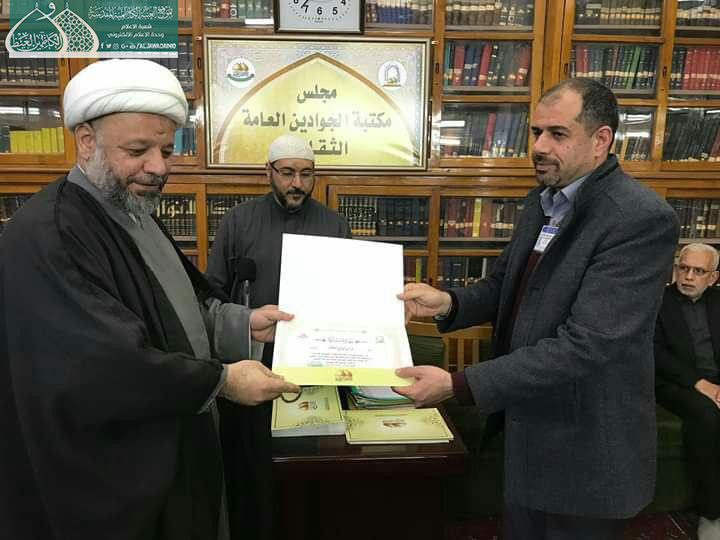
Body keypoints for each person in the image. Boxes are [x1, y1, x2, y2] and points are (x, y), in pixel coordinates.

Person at [0, 59, 299, 540]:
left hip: (181, 441)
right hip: (111, 480)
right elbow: (102, 366)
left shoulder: (129, 210)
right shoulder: (52, 233)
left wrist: (244, 324)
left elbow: (176, 308)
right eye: (138, 150)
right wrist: (222, 381)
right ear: (86, 141)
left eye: (167, 149)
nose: (159, 167)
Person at [394, 78, 679, 539]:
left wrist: (458, 384)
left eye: (558, 134)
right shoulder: (544, 202)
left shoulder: (638, 219)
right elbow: (506, 285)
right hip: (528, 434)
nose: (540, 147)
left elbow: (588, 344)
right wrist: (447, 302)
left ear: (601, 140)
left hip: (586, 454)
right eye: (536, 132)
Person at [206, 133, 350, 540]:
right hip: (252, 366)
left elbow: (348, 295)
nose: (296, 184)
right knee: (252, 474)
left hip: (318, 367)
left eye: (306, 174)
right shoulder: (238, 221)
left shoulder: (334, 225)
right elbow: (212, 295)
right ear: (267, 172)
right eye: (287, 173)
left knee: (314, 473)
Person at [654, 242, 720, 540]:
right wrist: (700, 384)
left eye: (698, 271)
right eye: (683, 268)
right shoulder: (657, 301)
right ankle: (711, 513)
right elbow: (655, 352)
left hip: (715, 381)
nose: (688, 276)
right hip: (674, 383)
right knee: (707, 414)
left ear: (713, 277)